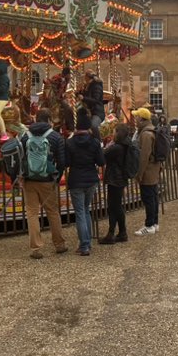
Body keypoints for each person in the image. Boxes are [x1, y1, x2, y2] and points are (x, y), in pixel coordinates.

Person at [21, 109, 68, 259]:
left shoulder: (25, 136)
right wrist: (57, 177)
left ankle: (36, 248)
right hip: (47, 179)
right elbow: (61, 161)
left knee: (32, 213)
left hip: (29, 180)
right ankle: (59, 244)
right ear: (48, 120)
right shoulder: (55, 137)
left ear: (36, 118)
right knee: (52, 212)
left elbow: (21, 157)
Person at [65, 109, 104, 256]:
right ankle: (87, 242)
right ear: (88, 127)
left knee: (80, 212)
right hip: (91, 180)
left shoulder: (69, 142)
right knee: (86, 210)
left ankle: (85, 245)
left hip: (76, 180)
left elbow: (67, 162)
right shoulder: (94, 142)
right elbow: (101, 162)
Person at [100, 121, 133, 244]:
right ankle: (120, 232)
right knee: (116, 206)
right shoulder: (125, 145)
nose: (112, 133)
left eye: (114, 131)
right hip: (120, 178)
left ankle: (112, 233)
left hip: (115, 178)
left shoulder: (116, 147)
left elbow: (102, 155)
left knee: (114, 206)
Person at [132, 106, 163, 234]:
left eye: (137, 117)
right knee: (153, 197)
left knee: (148, 198)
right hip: (154, 169)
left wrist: (139, 173)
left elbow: (144, 156)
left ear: (142, 119)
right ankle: (154, 223)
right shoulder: (151, 131)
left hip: (148, 171)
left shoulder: (145, 134)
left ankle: (149, 225)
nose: (135, 120)